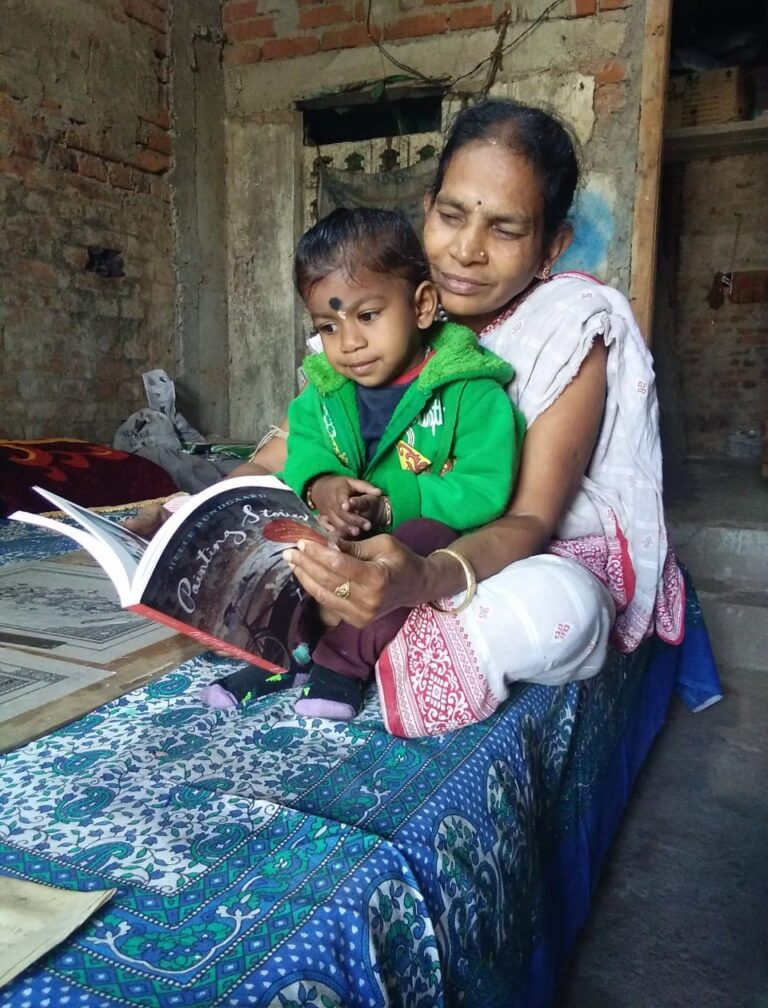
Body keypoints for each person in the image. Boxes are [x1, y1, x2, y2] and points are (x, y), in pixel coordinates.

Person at [131, 99, 685, 739]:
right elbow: (289, 453)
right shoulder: (381, 302)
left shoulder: (570, 325)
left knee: (567, 610)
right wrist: (201, 512)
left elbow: (530, 517)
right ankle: (331, 635)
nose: (468, 251)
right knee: (275, 541)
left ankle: (376, 640)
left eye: (505, 230)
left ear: (550, 246)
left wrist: (421, 576)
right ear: (428, 208)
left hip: (496, 545)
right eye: (451, 216)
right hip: (369, 535)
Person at [200, 206, 525, 721]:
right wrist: (322, 483)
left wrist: (396, 507)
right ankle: (278, 649)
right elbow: (305, 445)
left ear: (421, 306)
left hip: (414, 536)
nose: (349, 343)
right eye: (328, 325)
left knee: (416, 541)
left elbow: (487, 488)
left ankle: (342, 659)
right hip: (338, 530)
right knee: (279, 531)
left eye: (367, 316)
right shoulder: (325, 390)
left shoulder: (471, 391)